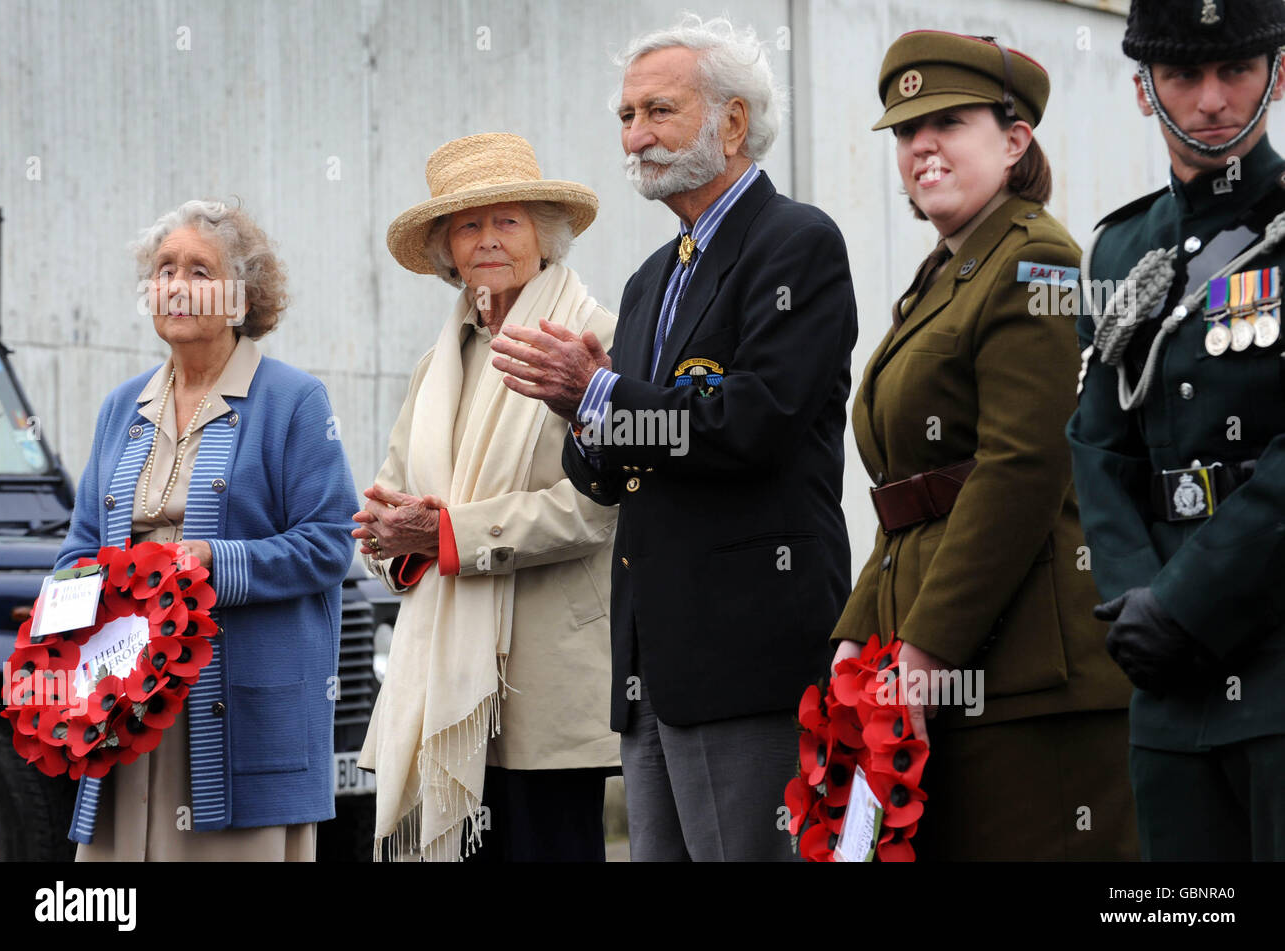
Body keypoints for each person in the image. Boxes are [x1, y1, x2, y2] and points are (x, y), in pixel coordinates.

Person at [493, 14, 856, 861]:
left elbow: (753, 424)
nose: (636, 136)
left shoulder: (797, 244)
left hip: (745, 656)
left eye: (659, 111)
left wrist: (604, 395)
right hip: (651, 665)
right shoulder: (651, 278)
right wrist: (577, 406)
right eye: (626, 116)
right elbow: (603, 475)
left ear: (733, 122)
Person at [827, 31, 1137, 861]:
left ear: (1014, 140)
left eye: (948, 121)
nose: (921, 144)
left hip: (1028, 675)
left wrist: (925, 649)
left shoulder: (1035, 259)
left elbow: (1020, 468)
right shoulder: (944, 272)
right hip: (944, 655)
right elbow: (910, 491)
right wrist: (859, 636)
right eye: (903, 130)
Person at [56, 199, 358, 860]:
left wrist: (212, 563)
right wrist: (64, 610)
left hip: (237, 714)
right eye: (165, 269)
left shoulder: (293, 401)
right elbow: (80, 545)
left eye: (199, 269)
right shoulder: (122, 406)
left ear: (240, 295)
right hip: (127, 706)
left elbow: (332, 542)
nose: (175, 285)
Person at [355, 133, 620, 863]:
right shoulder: (435, 366)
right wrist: (388, 542)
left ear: (546, 235)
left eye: (509, 221)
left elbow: (597, 509)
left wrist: (444, 536)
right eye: (469, 226)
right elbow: (388, 514)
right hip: (437, 687)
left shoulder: (595, 340)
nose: (488, 240)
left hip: (549, 685)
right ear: (448, 253)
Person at [1068, 0, 1285, 861]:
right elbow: (1096, 441)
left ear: (1277, 73)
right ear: (1141, 90)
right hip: (1162, 673)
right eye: (1183, 76)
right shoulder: (1121, 252)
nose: (1211, 100)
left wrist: (1189, 603)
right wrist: (1134, 601)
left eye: (1235, 69)